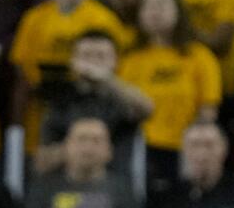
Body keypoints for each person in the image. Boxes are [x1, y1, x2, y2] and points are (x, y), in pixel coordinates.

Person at [10, 0, 130, 150]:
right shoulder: (34, 18)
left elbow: (116, 76)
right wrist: (16, 126)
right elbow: (22, 79)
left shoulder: (106, 21)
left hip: (90, 116)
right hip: (41, 114)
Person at [118, 0, 221, 191]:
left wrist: (196, 149)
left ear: (178, 12)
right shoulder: (130, 60)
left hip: (184, 149)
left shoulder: (199, 56)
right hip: (141, 148)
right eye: (148, 6)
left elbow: (208, 110)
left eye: (161, 5)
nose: (155, 12)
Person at [38, 29, 153, 174]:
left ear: (115, 61)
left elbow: (147, 109)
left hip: (116, 186)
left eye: (101, 56)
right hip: (67, 188)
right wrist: (80, 147)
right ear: (73, 60)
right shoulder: (60, 99)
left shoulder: (122, 98)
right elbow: (42, 163)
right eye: (86, 56)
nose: (93, 62)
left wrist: (107, 79)